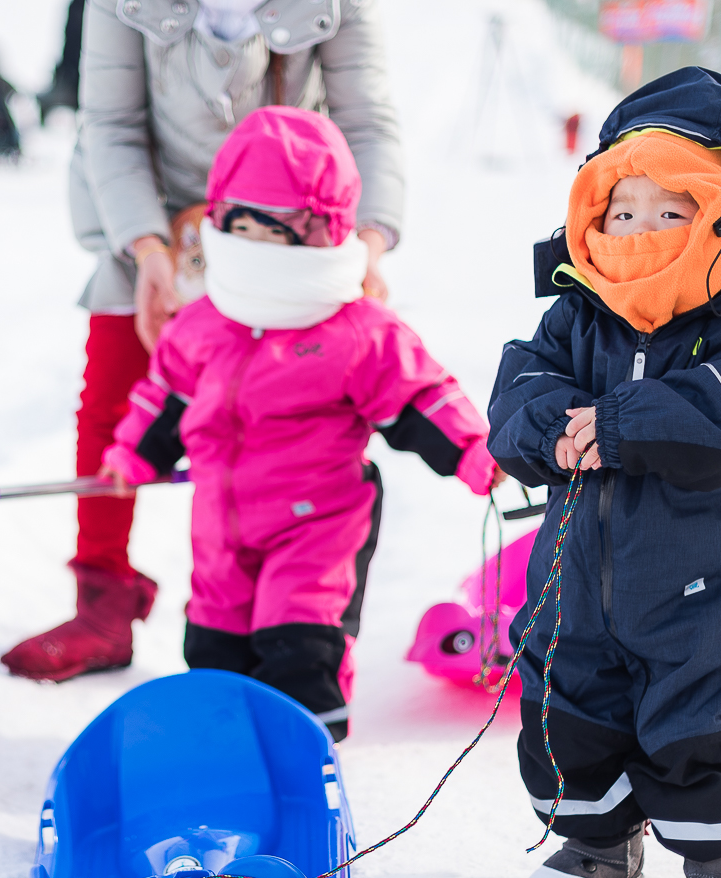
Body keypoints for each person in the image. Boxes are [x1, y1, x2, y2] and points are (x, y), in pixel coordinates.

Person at [486, 68, 721, 878]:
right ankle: (598, 847)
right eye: (623, 210)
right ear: (590, 220)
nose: (642, 229)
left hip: (693, 586)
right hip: (571, 583)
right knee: (565, 708)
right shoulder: (574, 323)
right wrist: (549, 426)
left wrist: (625, 422)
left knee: (689, 718)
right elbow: (518, 396)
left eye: (673, 211)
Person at [2, 0, 405, 682]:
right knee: (112, 402)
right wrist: (147, 249)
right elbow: (114, 126)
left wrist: (367, 241)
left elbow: (367, 123)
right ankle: (102, 599)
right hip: (155, 223)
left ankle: (297, 619)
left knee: (290, 428)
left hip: (287, 231)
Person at [95, 107, 499, 740]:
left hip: (318, 527)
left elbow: (422, 396)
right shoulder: (202, 325)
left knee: (298, 641)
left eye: (274, 230)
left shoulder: (355, 330)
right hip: (222, 526)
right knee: (214, 644)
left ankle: (306, 759)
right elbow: (163, 397)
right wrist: (132, 456)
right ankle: (222, 755)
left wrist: (476, 451)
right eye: (243, 227)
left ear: (316, 234)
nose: (255, 244)